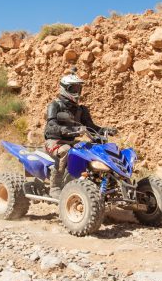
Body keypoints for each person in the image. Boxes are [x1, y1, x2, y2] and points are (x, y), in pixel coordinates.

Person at [44, 69, 117, 197]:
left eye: (78, 88)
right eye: (73, 88)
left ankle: (97, 183)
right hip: (55, 142)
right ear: (65, 88)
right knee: (66, 151)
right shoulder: (55, 105)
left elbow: (91, 127)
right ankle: (54, 187)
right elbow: (50, 125)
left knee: (91, 150)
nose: (77, 92)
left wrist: (105, 130)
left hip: (72, 141)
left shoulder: (81, 109)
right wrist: (62, 129)